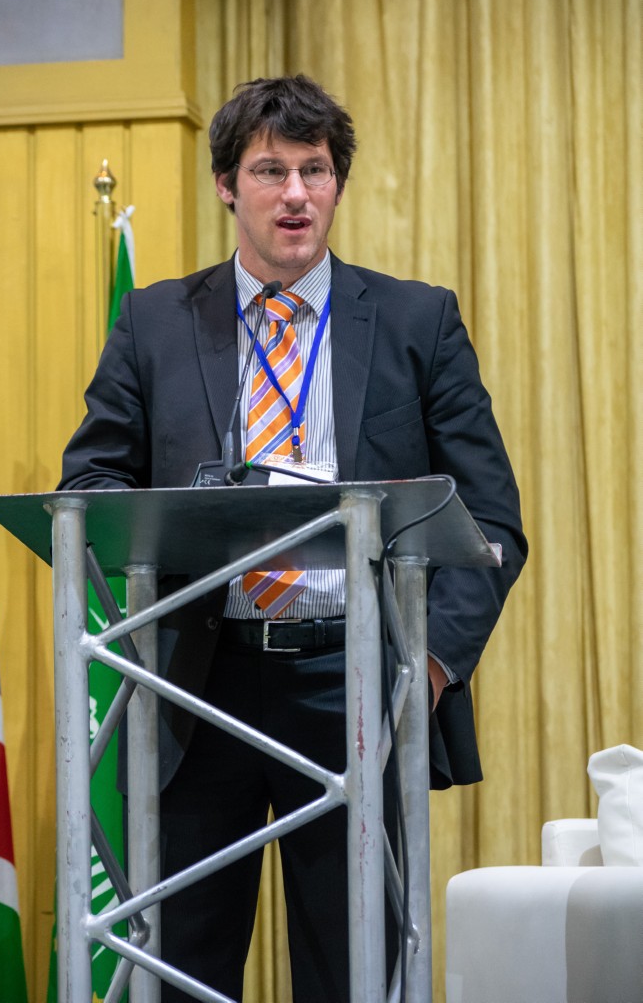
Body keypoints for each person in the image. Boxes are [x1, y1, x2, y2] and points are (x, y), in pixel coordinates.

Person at [59, 74, 527, 1002]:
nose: (296, 194)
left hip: (355, 681)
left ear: (337, 183)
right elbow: (89, 485)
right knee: (182, 970)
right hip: (195, 685)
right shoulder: (156, 323)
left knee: (352, 968)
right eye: (269, 171)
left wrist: (426, 667)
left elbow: (489, 518)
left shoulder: (415, 320)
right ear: (226, 186)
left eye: (314, 169)